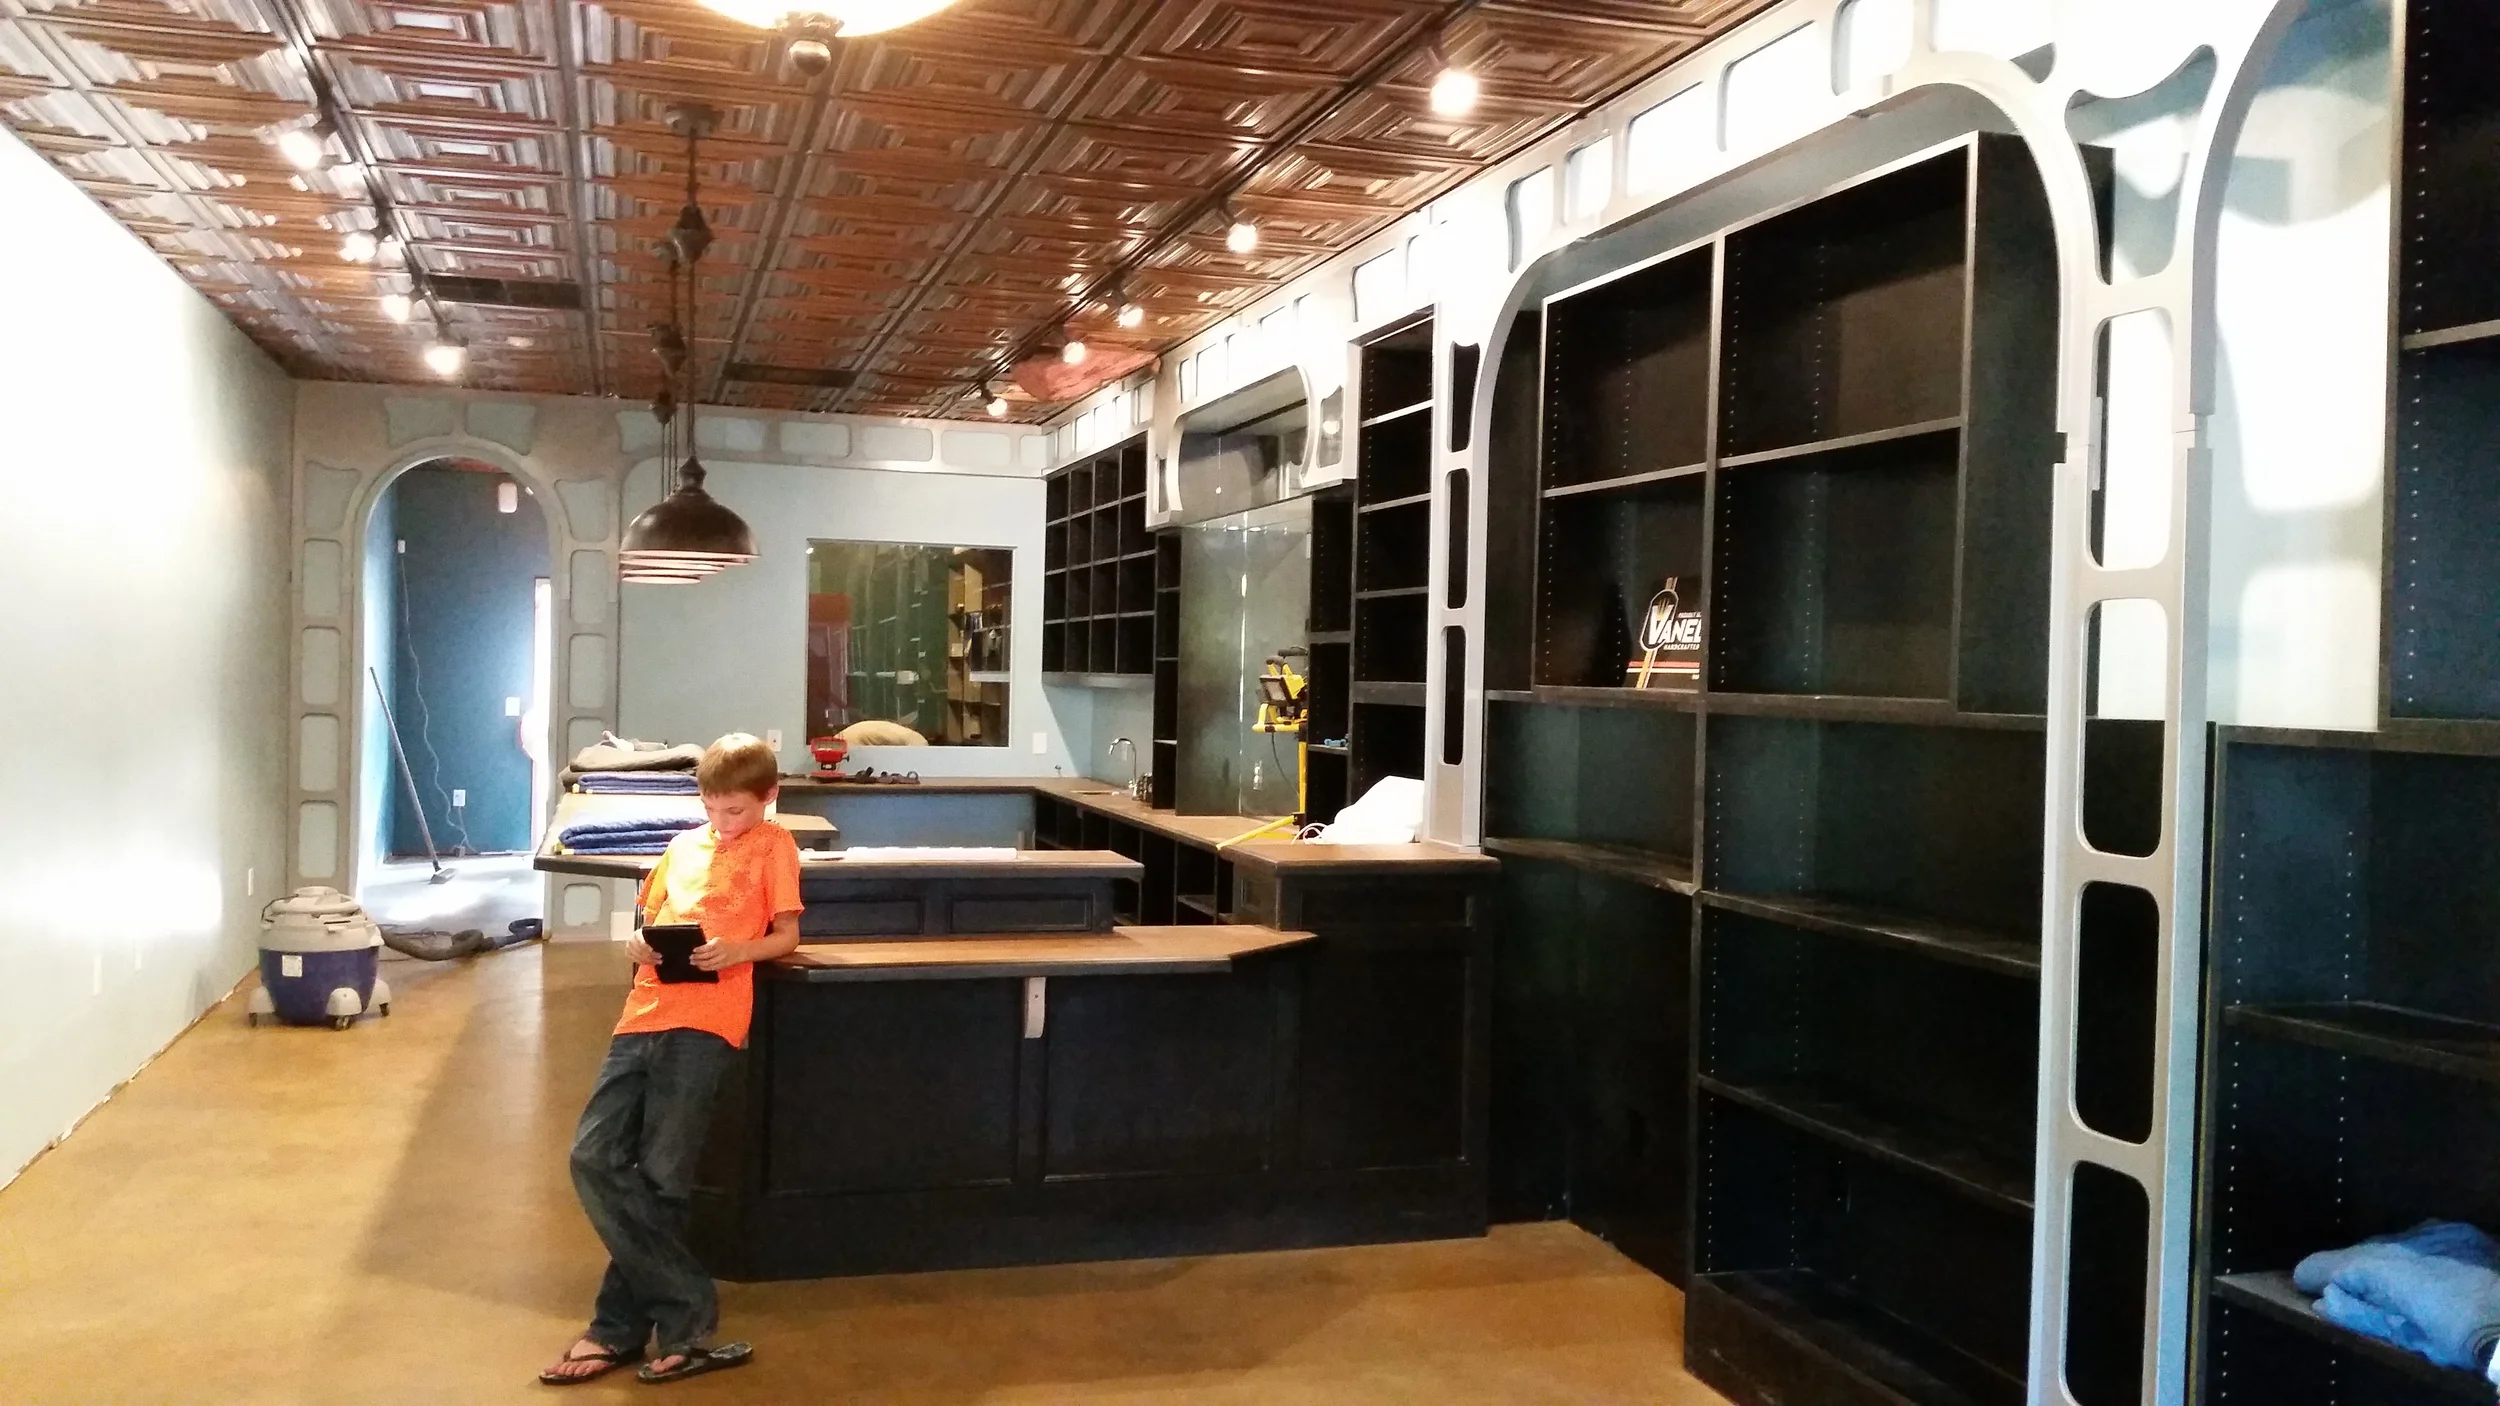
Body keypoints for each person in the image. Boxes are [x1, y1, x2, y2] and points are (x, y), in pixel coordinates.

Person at [540, 733, 802, 1387]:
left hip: (709, 1021)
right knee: (592, 1157)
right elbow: (647, 922)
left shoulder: (775, 846)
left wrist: (738, 951)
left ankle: (619, 1330)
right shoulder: (681, 847)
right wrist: (636, 945)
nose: (723, 821)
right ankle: (686, 1303)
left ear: (767, 797)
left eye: (735, 810)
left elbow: (787, 935)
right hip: (643, 1013)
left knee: (663, 1176)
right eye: (712, 808)